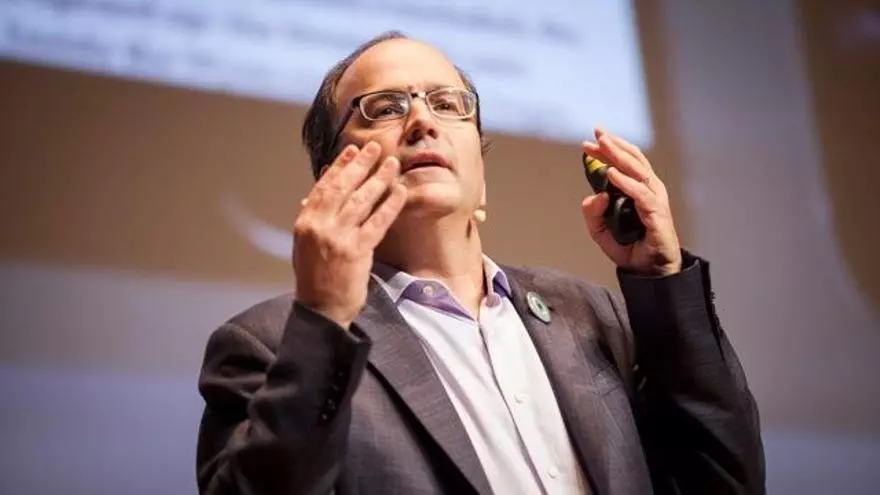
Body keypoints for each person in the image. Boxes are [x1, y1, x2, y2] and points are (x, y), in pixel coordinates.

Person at [195, 31, 765, 495]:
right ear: (332, 179)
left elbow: (726, 482)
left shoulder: (588, 315)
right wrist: (322, 319)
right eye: (385, 108)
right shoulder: (268, 344)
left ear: (481, 177)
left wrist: (663, 280)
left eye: (447, 105)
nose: (423, 121)